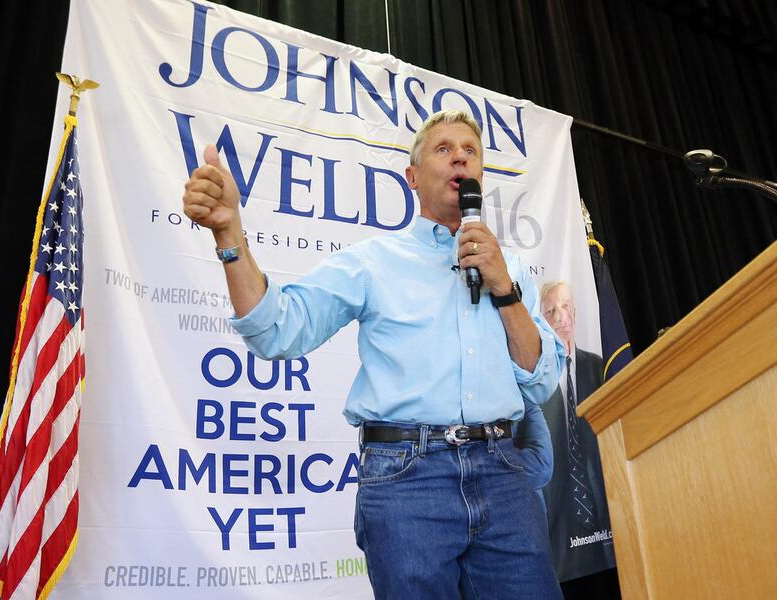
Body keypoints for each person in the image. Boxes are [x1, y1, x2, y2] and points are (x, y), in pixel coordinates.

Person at [183, 110, 566, 599]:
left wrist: (505, 289)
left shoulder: (509, 269)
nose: (460, 158)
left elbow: (541, 381)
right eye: (444, 148)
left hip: (504, 474)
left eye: (470, 151)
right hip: (408, 479)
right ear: (412, 177)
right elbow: (277, 330)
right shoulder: (371, 263)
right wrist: (229, 234)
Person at [539, 281, 620, 598]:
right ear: (542, 322)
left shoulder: (598, 367)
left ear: (575, 311)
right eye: (550, 311)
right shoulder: (536, 380)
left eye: (565, 306)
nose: (560, 316)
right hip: (559, 528)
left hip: (607, 517)